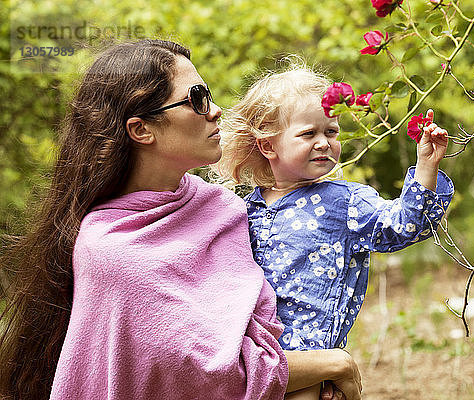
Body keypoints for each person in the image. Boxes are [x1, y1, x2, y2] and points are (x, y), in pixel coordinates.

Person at [0, 40, 361, 400]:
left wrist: (312, 383)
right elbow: (211, 377)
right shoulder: (111, 250)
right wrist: (332, 366)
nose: (217, 111)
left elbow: (270, 324)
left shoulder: (223, 208)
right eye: (197, 99)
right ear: (142, 130)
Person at [215, 65, 454, 399]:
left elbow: (404, 225)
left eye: (331, 132)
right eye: (308, 134)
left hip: (311, 363)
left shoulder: (344, 202)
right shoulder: (242, 210)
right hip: (252, 362)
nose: (323, 143)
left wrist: (427, 167)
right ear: (269, 147)